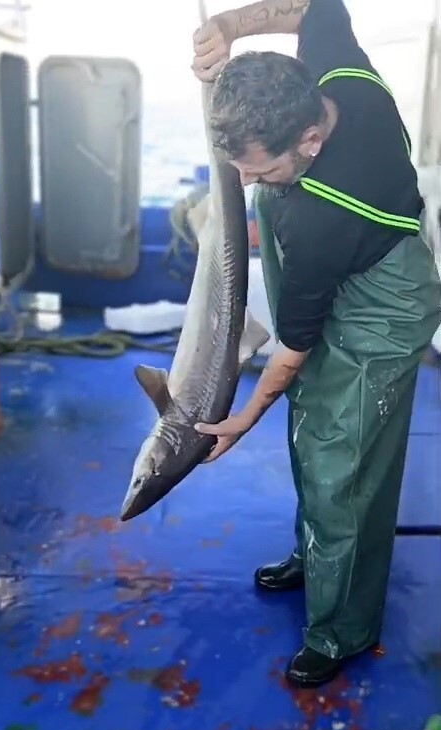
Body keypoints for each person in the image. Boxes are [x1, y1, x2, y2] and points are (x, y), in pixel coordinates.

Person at [191, 0, 441, 688]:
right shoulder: (336, 70)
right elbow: (315, 4)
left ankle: (342, 630)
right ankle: (316, 554)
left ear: (308, 141)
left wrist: (242, 418)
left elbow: (293, 347)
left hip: (383, 305)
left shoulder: (319, 216)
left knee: (345, 463)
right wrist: (229, 27)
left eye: (259, 172)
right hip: (347, 260)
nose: (246, 182)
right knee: (312, 429)